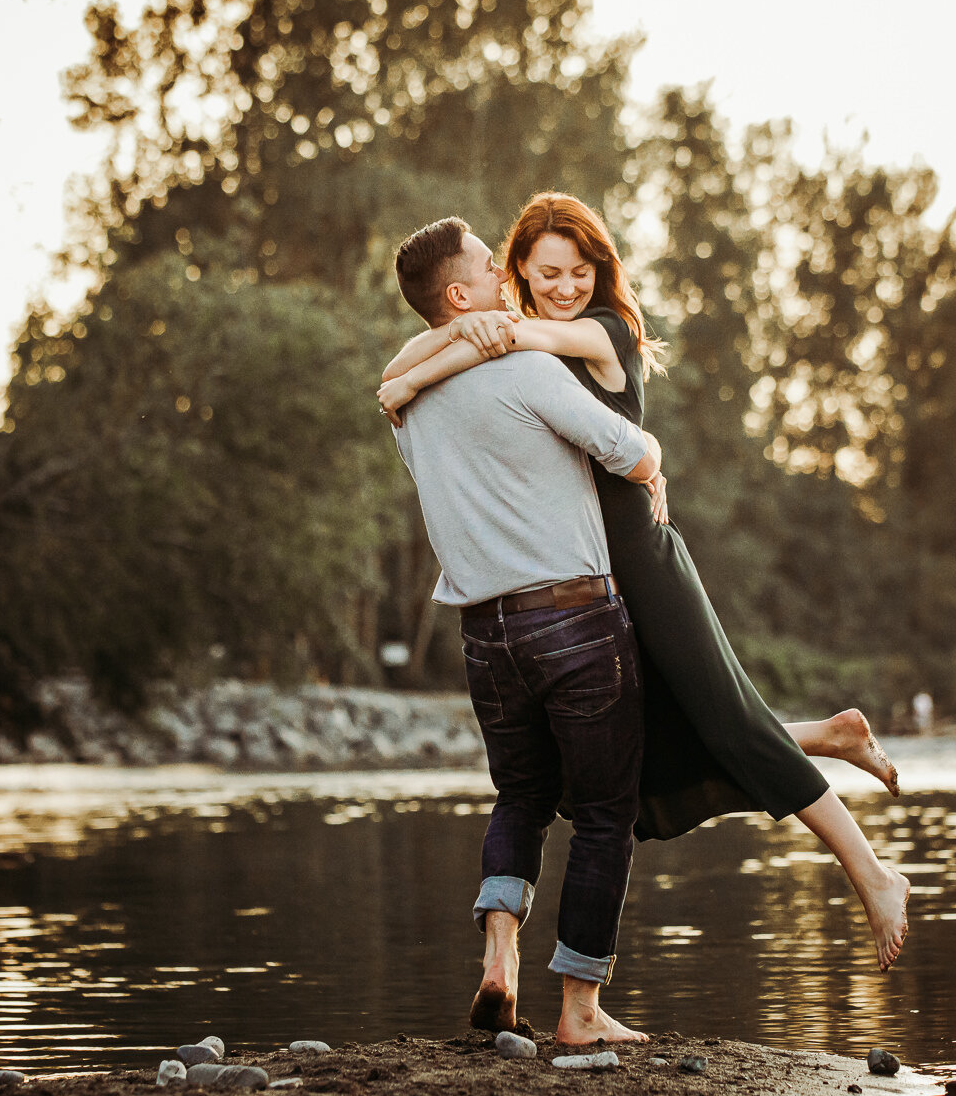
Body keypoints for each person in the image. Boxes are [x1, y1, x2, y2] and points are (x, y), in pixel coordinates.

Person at [380, 192, 912, 972]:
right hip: (586, 581)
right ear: (520, 272)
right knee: (657, 749)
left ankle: (872, 873)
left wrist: (424, 366)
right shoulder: (518, 347)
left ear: (601, 270)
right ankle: (832, 735)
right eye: (545, 271)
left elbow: (467, 354)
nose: (566, 284)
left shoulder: (599, 330)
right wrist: (442, 343)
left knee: (729, 726)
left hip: (641, 561)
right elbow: (414, 359)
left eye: (582, 268)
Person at [389, 215, 668, 1044]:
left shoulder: (409, 404)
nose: (501, 272)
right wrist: (653, 457)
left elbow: (395, 377)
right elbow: (627, 449)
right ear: (459, 294)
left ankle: (500, 955)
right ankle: (580, 1009)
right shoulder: (529, 368)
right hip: (574, 616)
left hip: (483, 632)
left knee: (520, 793)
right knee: (606, 813)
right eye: (487, 263)